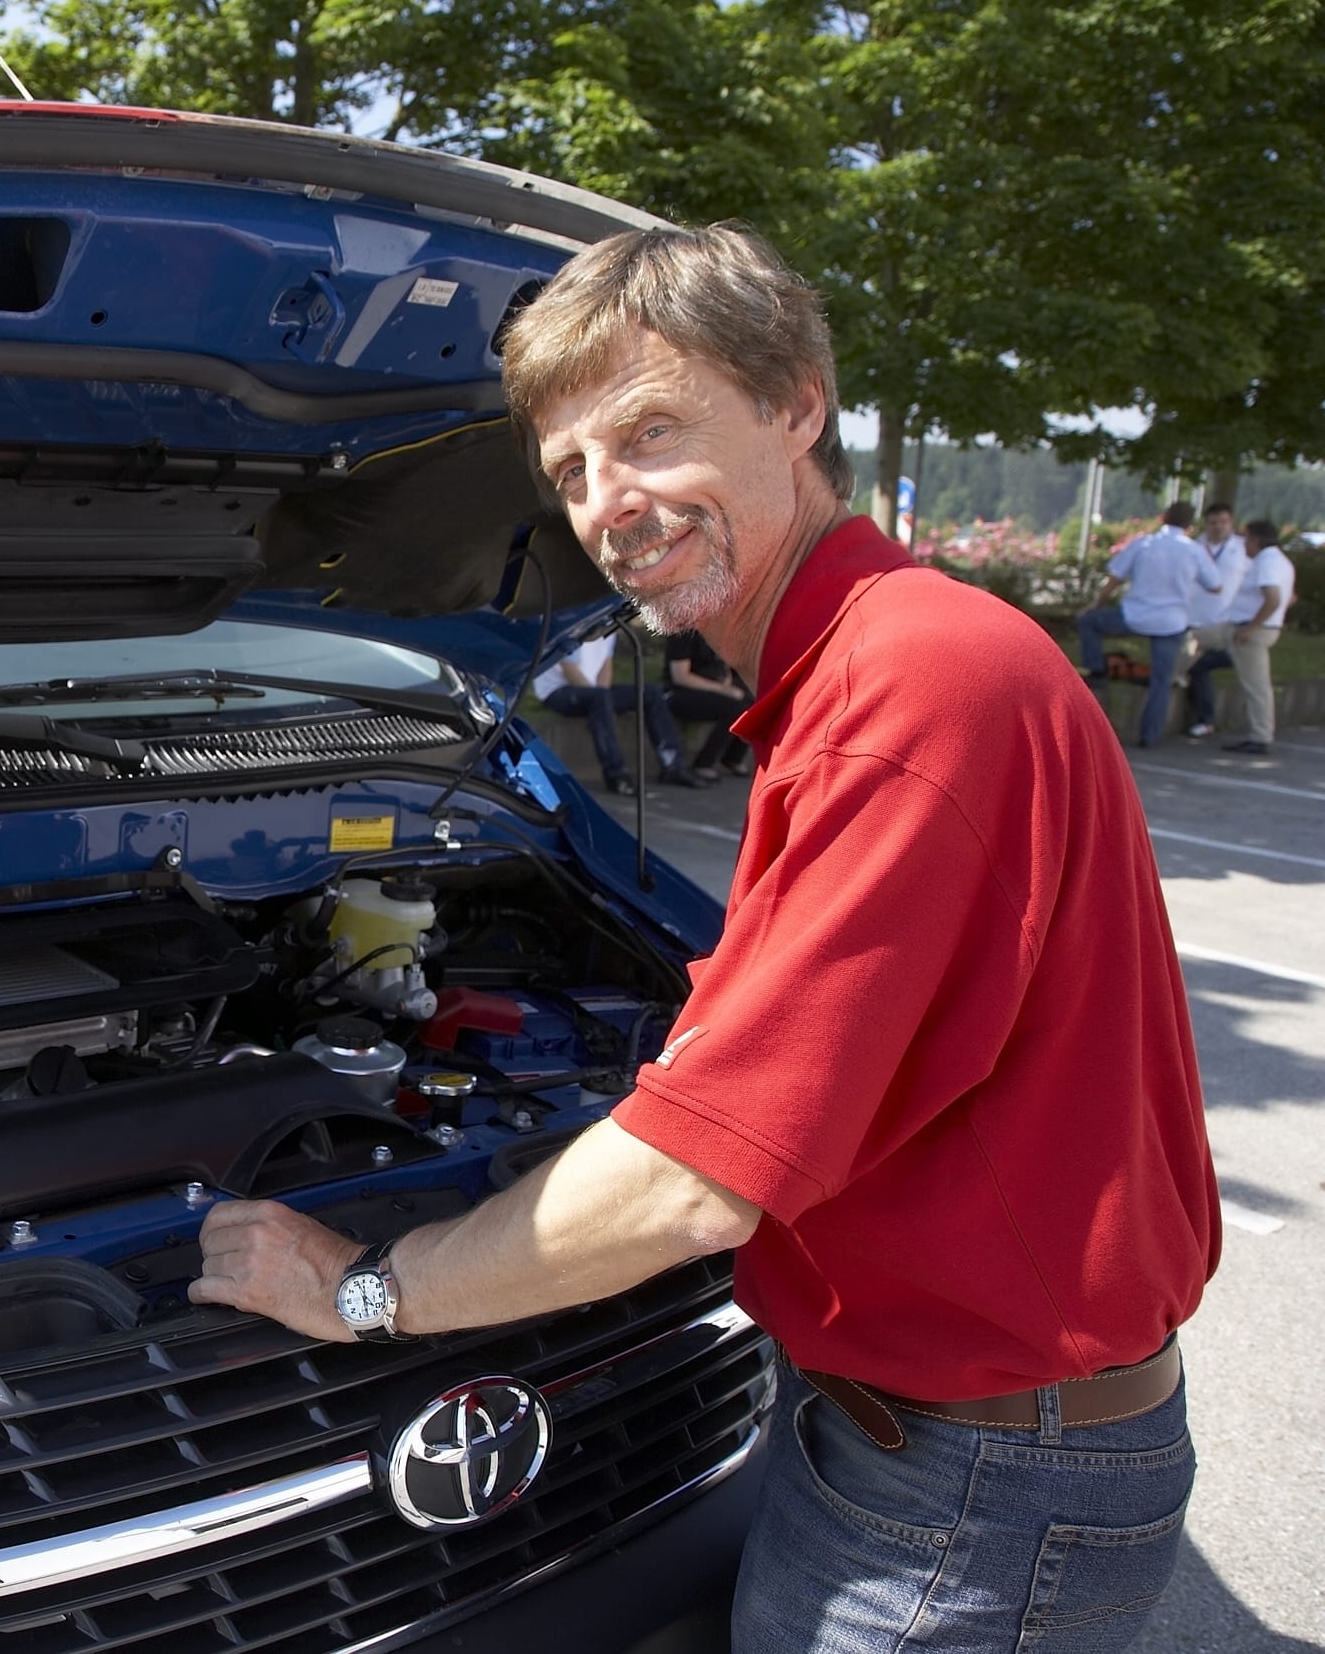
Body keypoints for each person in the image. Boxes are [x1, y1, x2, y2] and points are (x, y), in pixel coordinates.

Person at [191, 224, 1217, 1653]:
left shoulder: (911, 685)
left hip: (966, 1492)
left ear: (795, 401)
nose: (607, 504)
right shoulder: (862, 669)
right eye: (569, 472)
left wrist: (363, 1288)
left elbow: (686, 1190)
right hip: (901, 1430)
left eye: (649, 431)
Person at [1076, 501, 1223, 747]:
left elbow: (1115, 577)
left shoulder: (1144, 544)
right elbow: (1216, 585)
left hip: (1136, 614)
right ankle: (1149, 734)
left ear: (1163, 517)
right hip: (1171, 621)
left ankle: (1097, 670)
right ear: (1190, 524)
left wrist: (1096, 603)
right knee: (1161, 681)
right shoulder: (1194, 550)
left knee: (1089, 623)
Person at [531, 628, 715, 791]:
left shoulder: (607, 628)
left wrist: (604, 696)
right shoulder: (571, 628)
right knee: (600, 699)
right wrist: (602, 699)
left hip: (596, 693)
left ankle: (673, 764)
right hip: (559, 692)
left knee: (651, 693)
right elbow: (570, 671)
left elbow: (606, 665)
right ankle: (616, 774)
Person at [1223, 518, 1296, 754]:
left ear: (1256, 540)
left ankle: (1260, 736)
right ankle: (1179, 676)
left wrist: (1251, 627)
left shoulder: (1266, 562)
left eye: (1246, 539)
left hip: (1251, 631)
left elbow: (1273, 598)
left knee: (1257, 685)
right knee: (1198, 639)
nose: (1244, 545)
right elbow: (1289, 597)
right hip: (1259, 628)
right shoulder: (1281, 561)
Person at [1181, 502, 1252, 738]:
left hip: (1226, 622)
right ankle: (1203, 718)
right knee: (1192, 668)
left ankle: (1206, 718)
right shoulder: (1193, 547)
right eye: (1212, 522)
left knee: (1200, 666)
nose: (1218, 527)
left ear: (1231, 522)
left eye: (1223, 522)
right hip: (1192, 619)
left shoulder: (1243, 549)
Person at [663, 628, 752, 775]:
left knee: (753, 702)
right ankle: (704, 763)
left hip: (714, 689)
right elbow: (681, 677)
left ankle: (733, 758)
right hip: (681, 693)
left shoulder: (715, 631)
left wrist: (727, 683)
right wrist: (722, 689)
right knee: (736, 709)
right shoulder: (681, 633)